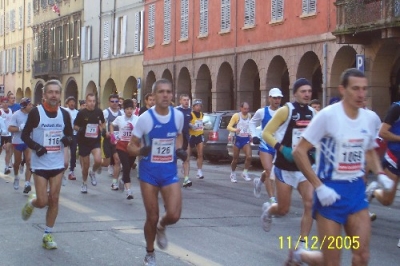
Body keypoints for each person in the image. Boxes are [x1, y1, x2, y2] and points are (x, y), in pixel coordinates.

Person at [288, 68, 393, 265]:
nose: (361, 94)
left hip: (356, 192)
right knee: (332, 261)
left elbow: (369, 149)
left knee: (362, 256)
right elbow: (299, 151)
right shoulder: (327, 116)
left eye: (364, 89)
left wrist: (380, 173)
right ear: (342, 90)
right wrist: (319, 187)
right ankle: (300, 254)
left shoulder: (370, 118)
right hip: (331, 193)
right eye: (355, 88)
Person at [127, 79, 187, 266]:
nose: (165, 95)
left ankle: (162, 226)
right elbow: (130, 146)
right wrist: (140, 151)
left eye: (168, 91)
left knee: (174, 215)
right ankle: (150, 253)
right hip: (149, 173)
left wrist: (179, 149)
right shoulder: (145, 119)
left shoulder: (177, 116)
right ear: (153, 96)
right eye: (161, 92)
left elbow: (179, 135)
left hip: (169, 171)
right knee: (151, 216)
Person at [262, 78, 315, 246]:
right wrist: (282, 149)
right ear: (295, 93)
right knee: (283, 210)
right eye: (303, 91)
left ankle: (302, 243)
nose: (307, 94)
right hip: (284, 167)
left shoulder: (313, 113)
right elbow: (266, 133)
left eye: (309, 91)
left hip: (304, 167)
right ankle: (269, 211)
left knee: (310, 203)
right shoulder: (286, 111)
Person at [20, 79, 73, 249]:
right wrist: (36, 147)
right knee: (43, 201)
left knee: (54, 199)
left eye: (57, 92)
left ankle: (48, 234)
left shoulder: (64, 114)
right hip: (40, 164)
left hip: (57, 164)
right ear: (44, 95)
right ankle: (32, 202)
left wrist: (67, 139)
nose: (54, 95)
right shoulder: (36, 113)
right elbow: (25, 136)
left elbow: (71, 136)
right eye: (50, 92)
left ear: (60, 95)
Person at [251, 88, 283, 204]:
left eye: (279, 98)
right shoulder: (262, 112)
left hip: (278, 146)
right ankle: (272, 200)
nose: (277, 100)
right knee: (269, 171)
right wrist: (254, 135)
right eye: (274, 98)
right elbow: (252, 122)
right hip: (265, 145)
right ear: (269, 98)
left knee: (271, 171)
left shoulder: (284, 111)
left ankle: (259, 182)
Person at [74, 93, 105, 193]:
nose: (92, 103)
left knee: (98, 160)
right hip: (84, 142)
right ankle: (84, 182)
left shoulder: (99, 112)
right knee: (85, 166)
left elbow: (103, 122)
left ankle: (93, 172)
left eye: (94, 101)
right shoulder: (81, 113)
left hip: (95, 140)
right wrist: (81, 129)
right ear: (86, 102)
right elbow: (75, 126)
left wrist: (102, 128)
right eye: (90, 101)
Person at [110, 99, 139, 199]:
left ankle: (123, 179)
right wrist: (112, 135)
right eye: (127, 109)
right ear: (124, 110)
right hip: (122, 145)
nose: (129, 111)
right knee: (126, 167)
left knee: (129, 167)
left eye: (131, 109)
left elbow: (141, 130)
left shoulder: (137, 119)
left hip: (133, 146)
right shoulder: (120, 118)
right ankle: (129, 191)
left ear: (134, 109)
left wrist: (134, 129)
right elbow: (111, 125)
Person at [8, 98, 33, 192]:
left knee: (29, 161)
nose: (31, 106)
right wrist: (19, 128)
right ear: (24, 106)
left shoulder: (32, 114)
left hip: (28, 141)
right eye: (29, 104)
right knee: (17, 163)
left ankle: (27, 183)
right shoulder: (16, 115)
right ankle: (16, 176)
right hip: (18, 141)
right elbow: (10, 128)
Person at [227, 102, 252, 183]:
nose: (246, 110)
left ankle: (245, 172)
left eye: (248, 109)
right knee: (235, 159)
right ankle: (233, 173)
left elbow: (250, 126)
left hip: (245, 139)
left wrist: (251, 134)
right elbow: (229, 127)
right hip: (237, 139)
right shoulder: (236, 116)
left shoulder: (249, 116)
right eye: (245, 109)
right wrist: (235, 130)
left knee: (249, 157)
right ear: (241, 108)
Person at [102, 94, 122, 190]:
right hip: (108, 139)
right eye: (112, 101)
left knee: (117, 160)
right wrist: (105, 132)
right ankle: (95, 168)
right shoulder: (105, 112)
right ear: (109, 102)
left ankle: (115, 182)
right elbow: (100, 124)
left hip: (117, 140)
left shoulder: (121, 113)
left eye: (116, 101)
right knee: (107, 161)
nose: (114, 103)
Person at [176, 94, 193, 187]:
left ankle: (186, 179)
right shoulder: (176, 110)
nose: (186, 102)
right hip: (177, 137)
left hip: (186, 137)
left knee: (186, 158)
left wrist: (192, 125)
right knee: (173, 159)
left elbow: (192, 121)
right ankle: (171, 177)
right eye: (184, 100)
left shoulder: (191, 111)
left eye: (187, 100)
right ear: (180, 101)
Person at [63, 96, 79, 181]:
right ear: (67, 103)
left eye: (73, 102)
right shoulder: (64, 111)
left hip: (74, 135)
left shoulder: (77, 112)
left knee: (73, 152)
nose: (72, 103)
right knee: (63, 153)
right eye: (70, 102)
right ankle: (61, 170)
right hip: (66, 134)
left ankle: (71, 170)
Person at [189, 99, 205, 180]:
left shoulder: (202, 114)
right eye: (197, 106)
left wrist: (205, 125)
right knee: (188, 154)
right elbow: (186, 122)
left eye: (200, 106)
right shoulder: (191, 114)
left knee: (200, 154)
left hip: (199, 135)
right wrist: (191, 125)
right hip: (192, 136)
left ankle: (199, 171)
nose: (198, 107)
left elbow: (203, 122)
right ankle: (185, 167)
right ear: (193, 106)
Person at [0, 96, 14, 174]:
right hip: (1, 134)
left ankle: (6, 167)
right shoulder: (0, 111)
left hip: (8, 134)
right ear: (1, 103)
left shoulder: (11, 111)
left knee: (8, 150)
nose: (5, 104)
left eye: (6, 102)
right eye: (3, 102)